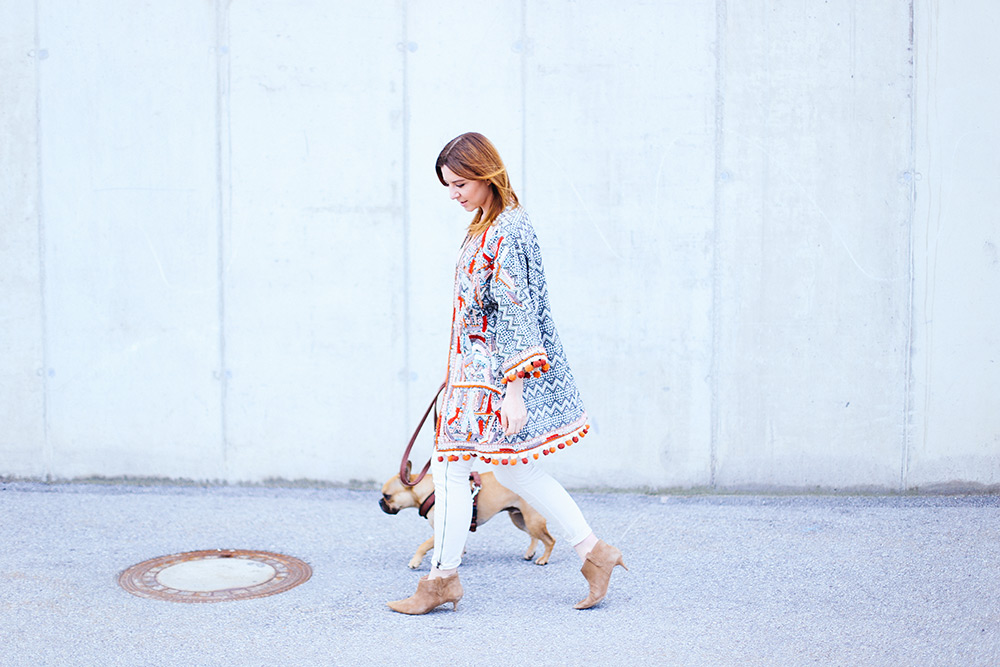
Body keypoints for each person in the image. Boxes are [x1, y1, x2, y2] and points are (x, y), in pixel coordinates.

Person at [387, 132, 627, 615]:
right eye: (447, 185)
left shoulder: (508, 230)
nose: (453, 194)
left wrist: (513, 391)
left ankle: (442, 580)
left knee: (455, 469)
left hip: (494, 383)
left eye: (459, 183)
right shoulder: (484, 225)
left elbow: (516, 312)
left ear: (485, 173)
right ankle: (593, 552)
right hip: (470, 378)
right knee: (514, 468)